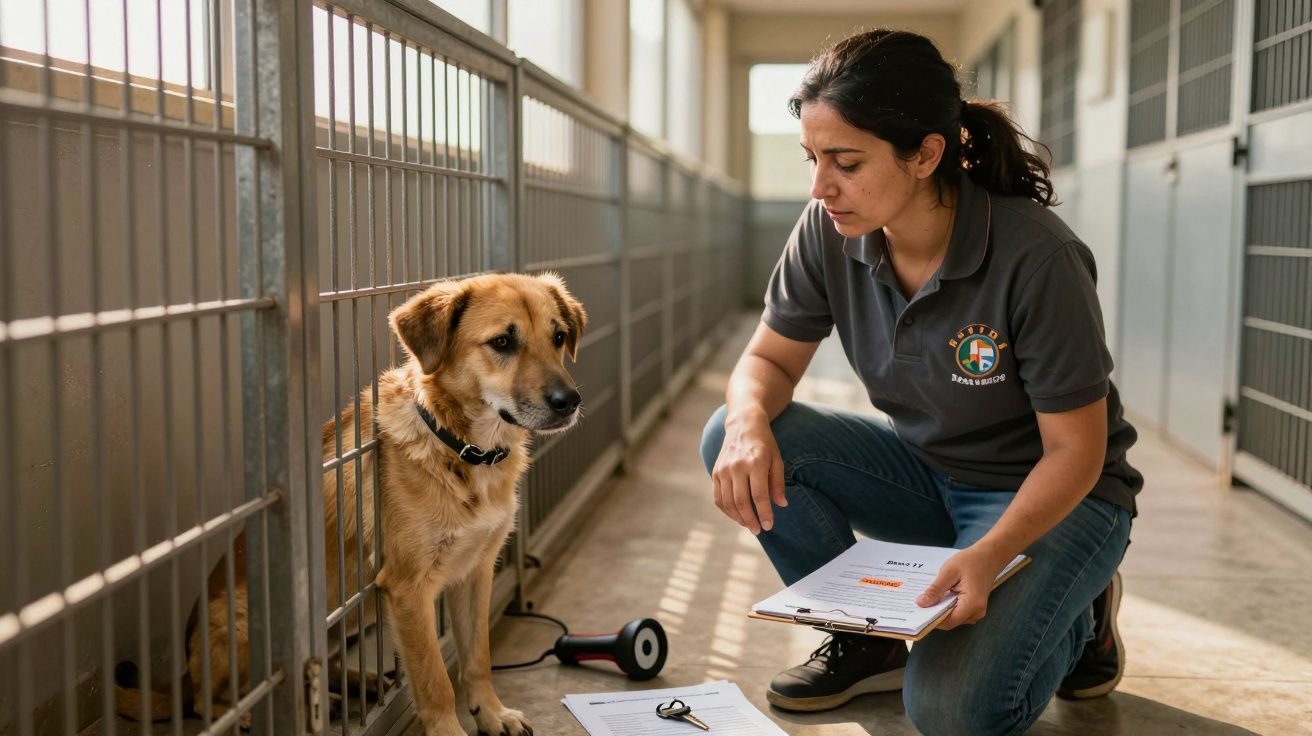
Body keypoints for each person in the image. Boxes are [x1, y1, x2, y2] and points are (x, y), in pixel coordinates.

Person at [698, 28, 1143, 736]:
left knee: (955, 714)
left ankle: (1080, 610)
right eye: (812, 159)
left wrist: (993, 553)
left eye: (845, 162)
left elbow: (1076, 452)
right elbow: (768, 364)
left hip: (1054, 498)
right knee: (734, 429)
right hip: (930, 476)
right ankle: (869, 641)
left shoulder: (1037, 257)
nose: (820, 187)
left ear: (926, 154)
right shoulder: (827, 230)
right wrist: (749, 422)